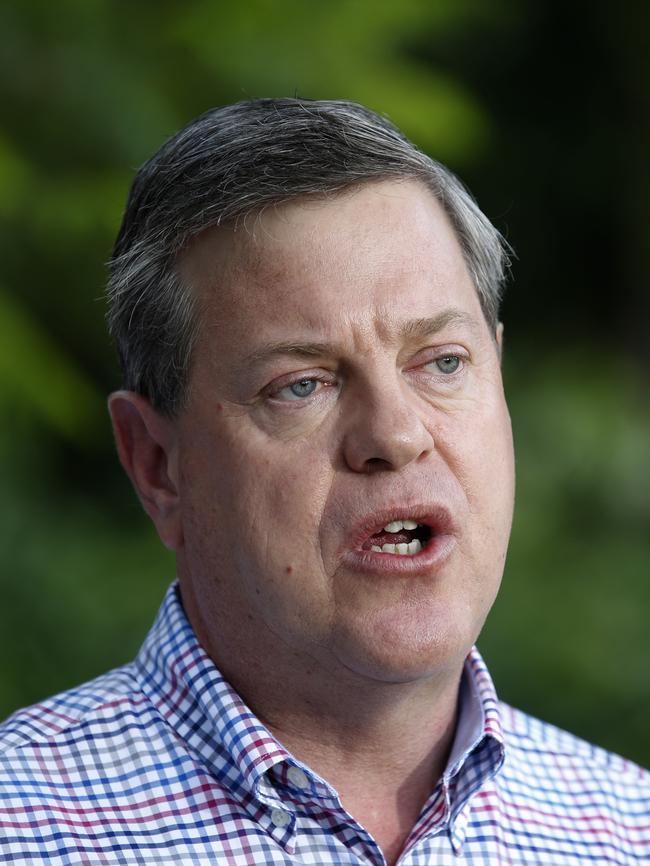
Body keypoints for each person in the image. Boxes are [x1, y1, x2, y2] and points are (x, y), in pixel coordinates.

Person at [0, 98, 648, 866]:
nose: (397, 435)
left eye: (442, 362)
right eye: (301, 384)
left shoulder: (629, 830)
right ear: (155, 464)